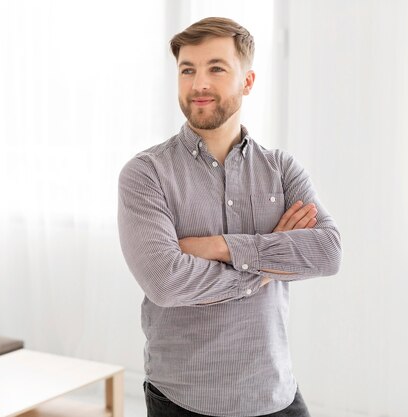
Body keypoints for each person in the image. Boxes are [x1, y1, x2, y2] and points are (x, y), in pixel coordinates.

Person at [117, 17, 342, 417]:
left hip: (276, 393)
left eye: (216, 69)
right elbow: (165, 282)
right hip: (185, 399)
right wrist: (269, 267)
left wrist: (220, 247)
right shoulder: (146, 173)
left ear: (248, 82)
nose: (198, 83)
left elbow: (327, 252)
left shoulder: (282, 169)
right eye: (188, 70)